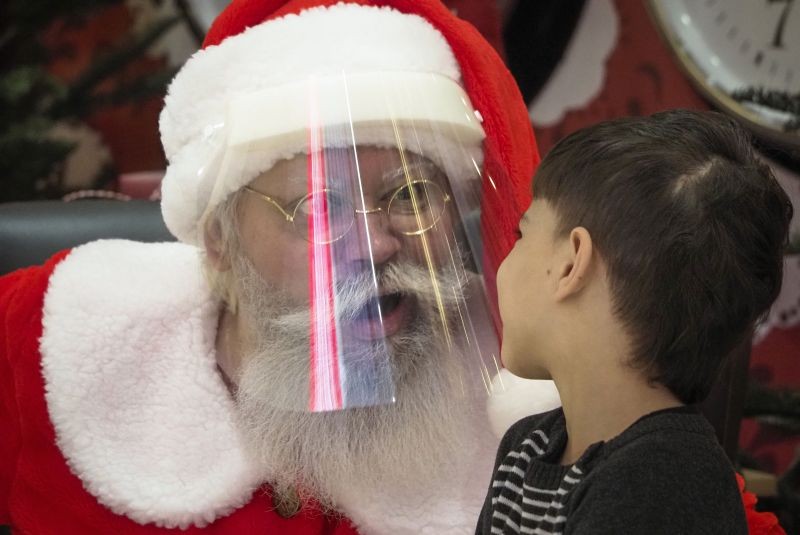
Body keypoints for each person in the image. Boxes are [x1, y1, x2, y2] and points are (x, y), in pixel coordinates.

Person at [0, 0, 561, 533]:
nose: (374, 243)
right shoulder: (47, 340)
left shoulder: (541, 387)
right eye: (318, 206)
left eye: (411, 195)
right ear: (221, 240)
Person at [476, 109, 790, 535]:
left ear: (570, 263)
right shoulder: (525, 447)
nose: (503, 262)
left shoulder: (666, 477)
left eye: (521, 234)